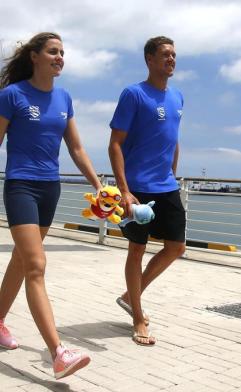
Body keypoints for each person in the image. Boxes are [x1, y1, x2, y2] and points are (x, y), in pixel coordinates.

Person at [0, 32, 101, 379]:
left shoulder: (64, 98)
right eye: (53, 51)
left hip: (50, 189)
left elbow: (76, 148)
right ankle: (59, 352)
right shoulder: (12, 95)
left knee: (22, 259)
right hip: (21, 186)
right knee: (36, 266)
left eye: (62, 52)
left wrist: (100, 186)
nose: (60, 57)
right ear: (35, 56)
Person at [109, 36, 186, 346]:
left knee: (176, 246)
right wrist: (125, 191)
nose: (171, 59)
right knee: (136, 250)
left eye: (174, 55)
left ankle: (131, 296)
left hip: (166, 186)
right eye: (165, 55)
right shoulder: (133, 94)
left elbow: (173, 138)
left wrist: (173, 174)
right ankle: (137, 317)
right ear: (150, 60)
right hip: (137, 188)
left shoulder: (178, 96)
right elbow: (115, 143)